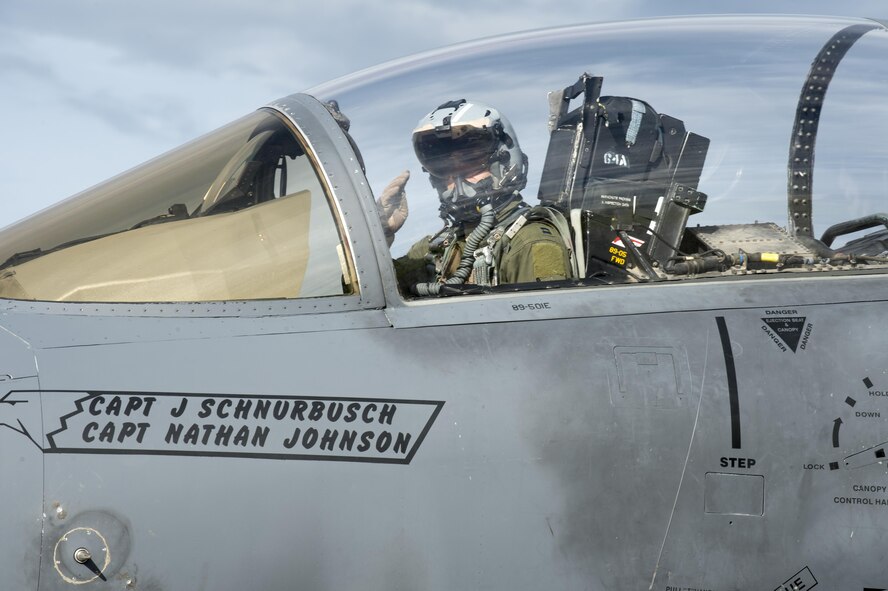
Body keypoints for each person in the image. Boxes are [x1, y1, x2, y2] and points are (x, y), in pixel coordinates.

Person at [378, 99, 575, 295]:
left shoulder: (528, 241)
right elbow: (374, 292)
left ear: (505, 161)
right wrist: (381, 233)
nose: (457, 179)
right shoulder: (437, 248)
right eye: (446, 169)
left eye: (471, 163)